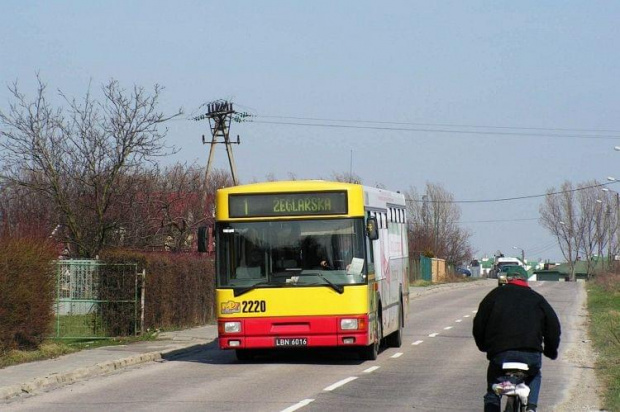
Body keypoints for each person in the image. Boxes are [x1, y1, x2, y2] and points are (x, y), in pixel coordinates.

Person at [472, 266, 561, 412]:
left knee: (493, 391)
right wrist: (551, 350)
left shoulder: (494, 295)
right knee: (534, 375)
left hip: (501, 354)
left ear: (507, 279)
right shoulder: (538, 299)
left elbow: (479, 324)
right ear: (526, 280)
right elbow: (553, 327)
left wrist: (483, 346)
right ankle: (531, 407)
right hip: (530, 354)